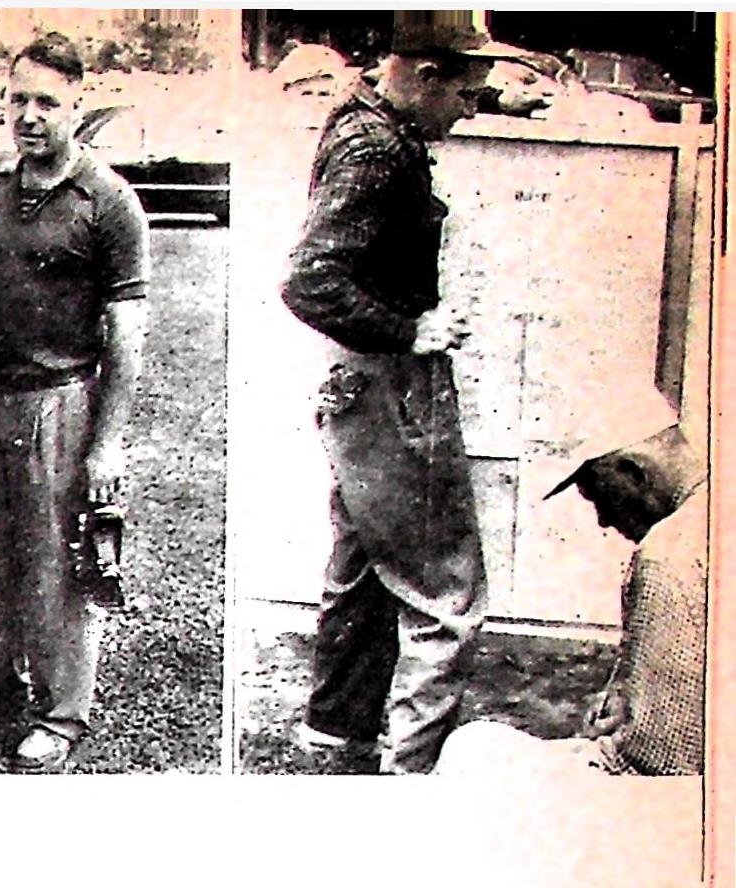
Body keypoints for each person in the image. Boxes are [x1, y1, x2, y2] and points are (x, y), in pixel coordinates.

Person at [277, 12, 528, 775]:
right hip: (393, 391)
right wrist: (408, 330)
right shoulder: (378, 152)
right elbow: (308, 281)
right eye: (468, 96)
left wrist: (502, 95)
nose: (470, 111)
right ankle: (413, 775)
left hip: (358, 390)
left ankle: (335, 734)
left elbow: (423, 90)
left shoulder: (366, 112)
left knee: (363, 570)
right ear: (425, 76)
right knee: (447, 597)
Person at [0, 33, 150, 773]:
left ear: (75, 106)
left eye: (47, 102)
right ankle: (2, 678)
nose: (29, 116)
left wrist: (107, 443)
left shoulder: (110, 201)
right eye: (18, 99)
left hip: (59, 401)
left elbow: (127, 331)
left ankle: (61, 714)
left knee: (56, 565)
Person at [433, 389, 705, 777]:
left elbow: (662, 764)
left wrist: (605, 745)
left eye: (599, 496)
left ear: (633, 471)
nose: (604, 521)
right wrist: (630, 698)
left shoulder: (672, 553)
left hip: (672, 798)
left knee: (473, 749)